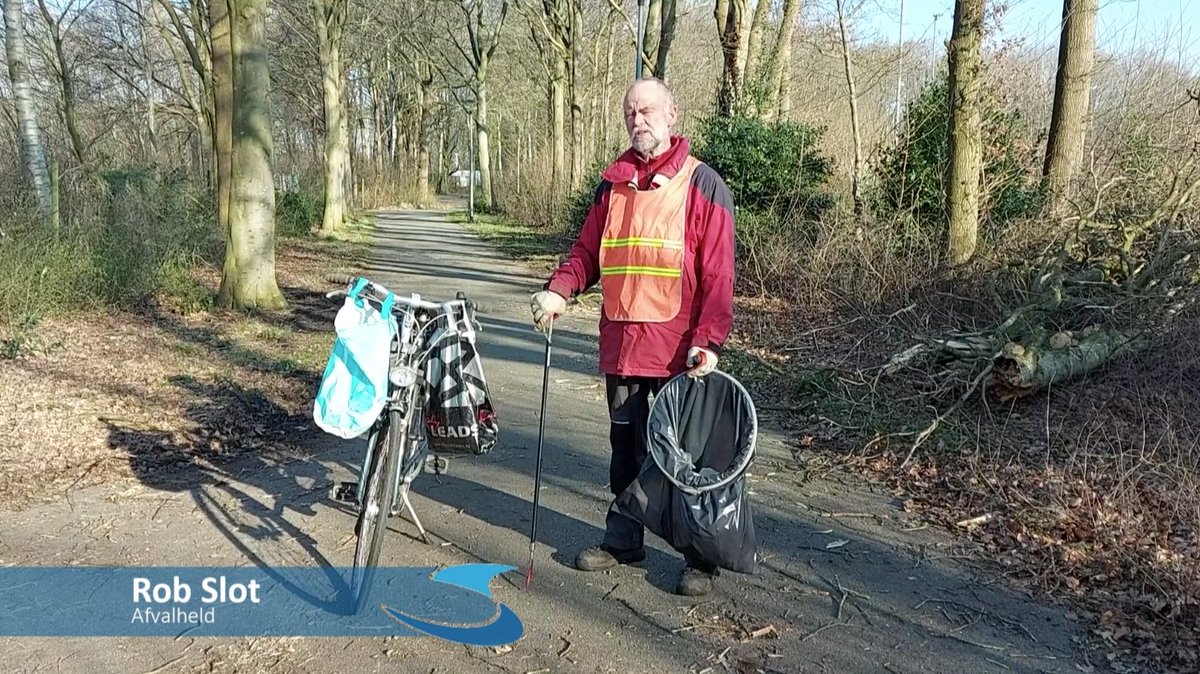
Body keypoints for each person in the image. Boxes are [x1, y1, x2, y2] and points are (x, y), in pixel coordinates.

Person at [529, 77, 736, 597]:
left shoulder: (704, 185)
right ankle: (624, 539)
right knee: (626, 452)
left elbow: (718, 276)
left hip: (679, 356)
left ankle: (699, 558)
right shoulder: (611, 186)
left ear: (672, 115)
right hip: (621, 348)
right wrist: (559, 290)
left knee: (681, 459)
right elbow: (586, 255)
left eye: (647, 110)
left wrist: (708, 341)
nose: (637, 119)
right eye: (630, 111)